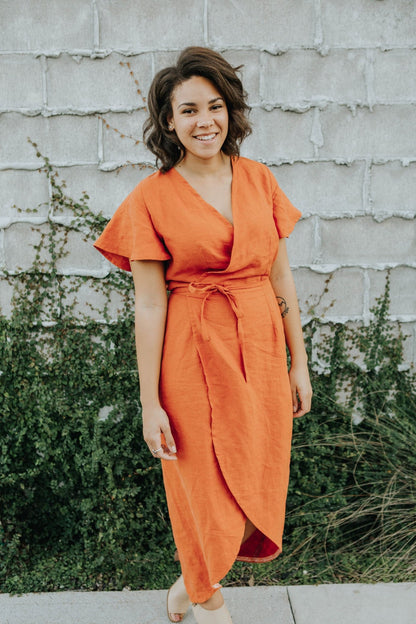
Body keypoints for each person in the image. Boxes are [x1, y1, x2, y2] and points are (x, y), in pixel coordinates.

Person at [94, 46, 312, 624]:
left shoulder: (259, 180)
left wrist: (299, 362)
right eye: (188, 110)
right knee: (201, 489)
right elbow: (148, 304)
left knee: (253, 481)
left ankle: (187, 586)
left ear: (230, 110)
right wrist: (149, 403)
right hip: (190, 355)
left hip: (260, 349)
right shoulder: (150, 198)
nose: (204, 121)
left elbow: (281, 277)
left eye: (214, 106)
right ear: (169, 122)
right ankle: (210, 602)